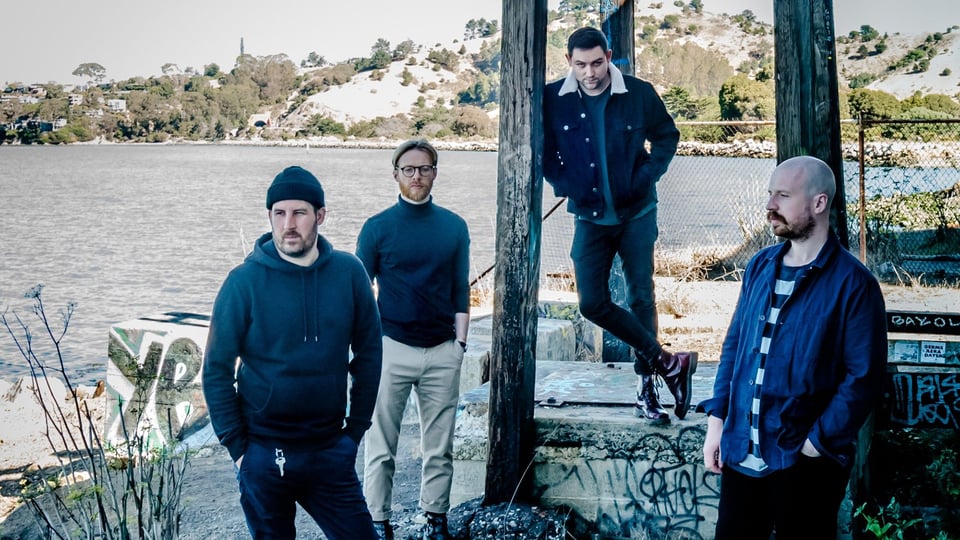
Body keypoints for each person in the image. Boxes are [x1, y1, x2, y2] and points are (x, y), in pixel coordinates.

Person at [699, 156, 888, 540]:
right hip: (739, 456)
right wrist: (717, 423)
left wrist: (816, 444)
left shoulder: (855, 285)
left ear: (818, 203)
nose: (770, 205)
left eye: (783, 195)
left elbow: (864, 377)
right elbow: (734, 348)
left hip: (804, 464)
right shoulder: (759, 266)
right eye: (770, 194)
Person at [202, 165, 383, 540]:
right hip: (264, 453)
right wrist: (239, 449)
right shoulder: (244, 281)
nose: (289, 224)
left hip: (329, 449)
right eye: (279, 213)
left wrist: (354, 433)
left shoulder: (350, 273)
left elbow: (369, 355)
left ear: (320, 216)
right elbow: (216, 369)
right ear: (269, 216)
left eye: (299, 213)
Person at [542, 26, 696, 424]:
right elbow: (543, 151)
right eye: (581, 65)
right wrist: (565, 183)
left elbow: (667, 135)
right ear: (568, 62)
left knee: (641, 296)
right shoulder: (552, 100)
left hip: (637, 214)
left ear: (608, 56)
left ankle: (647, 388)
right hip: (590, 217)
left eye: (597, 62)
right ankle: (669, 362)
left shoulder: (639, 94)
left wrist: (647, 176)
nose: (590, 72)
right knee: (592, 302)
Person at [357, 138, 470, 540]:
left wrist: (460, 347)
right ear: (396, 175)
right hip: (392, 349)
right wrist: (367, 349)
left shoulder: (454, 226)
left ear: (435, 173)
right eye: (409, 170)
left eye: (424, 168)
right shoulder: (376, 228)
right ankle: (378, 521)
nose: (417, 176)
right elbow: (359, 291)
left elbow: (461, 289)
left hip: (442, 351)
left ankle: (435, 519)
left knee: (439, 447)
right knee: (380, 445)